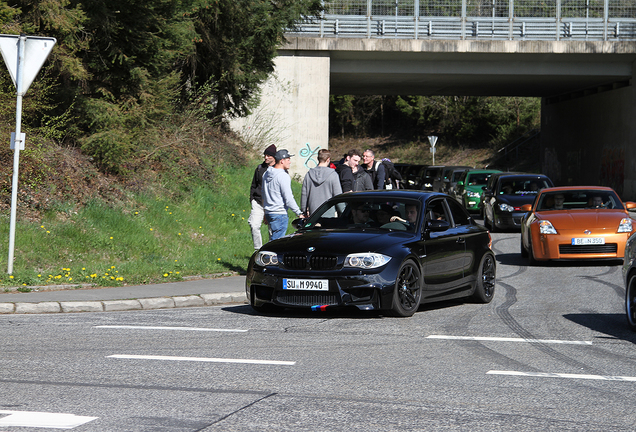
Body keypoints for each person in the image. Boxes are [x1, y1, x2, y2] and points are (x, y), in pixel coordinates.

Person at [262, 149, 305, 241]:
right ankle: (265, 255)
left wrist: (265, 211)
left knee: (273, 239)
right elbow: (288, 198)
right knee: (276, 243)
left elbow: (263, 194)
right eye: (288, 159)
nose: (290, 162)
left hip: (269, 212)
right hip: (279, 213)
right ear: (282, 161)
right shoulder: (283, 176)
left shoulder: (266, 174)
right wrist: (299, 213)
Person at [248, 144, 276, 250]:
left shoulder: (279, 170)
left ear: (274, 157)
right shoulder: (259, 168)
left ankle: (271, 252)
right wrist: (252, 199)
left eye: (269, 155)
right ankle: (258, 251)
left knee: (272, 230)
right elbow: (253, 185)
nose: (266, 157)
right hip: (258, 202)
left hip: (272, 205)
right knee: (254, 225)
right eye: (265, 155)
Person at [301, 149, 342, 216]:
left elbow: (304, 195)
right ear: (328, 159)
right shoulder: (333, 175)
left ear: (318, 158)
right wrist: (342, 212)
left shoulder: (309, 174)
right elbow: (338, 195)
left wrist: (304, 211)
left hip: (313, 214)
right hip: (328, 213)